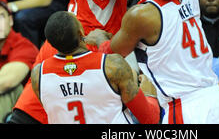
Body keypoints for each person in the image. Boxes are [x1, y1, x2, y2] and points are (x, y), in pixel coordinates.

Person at [95, 0, 219, 124]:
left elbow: (112, 54)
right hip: (217, 98)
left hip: (187, 109)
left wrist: (98, 40)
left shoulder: (142, 15)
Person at [30, 11, 160, 124]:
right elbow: (150, 119)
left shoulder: (38, 74)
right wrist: (149, 93)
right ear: (81, 33)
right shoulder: (112, 66)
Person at [0, 0, 38, 123]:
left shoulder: (24, 46)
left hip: (25, 114)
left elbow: (6, 82)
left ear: (11, 21)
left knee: (9, 90)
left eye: (1, 16)